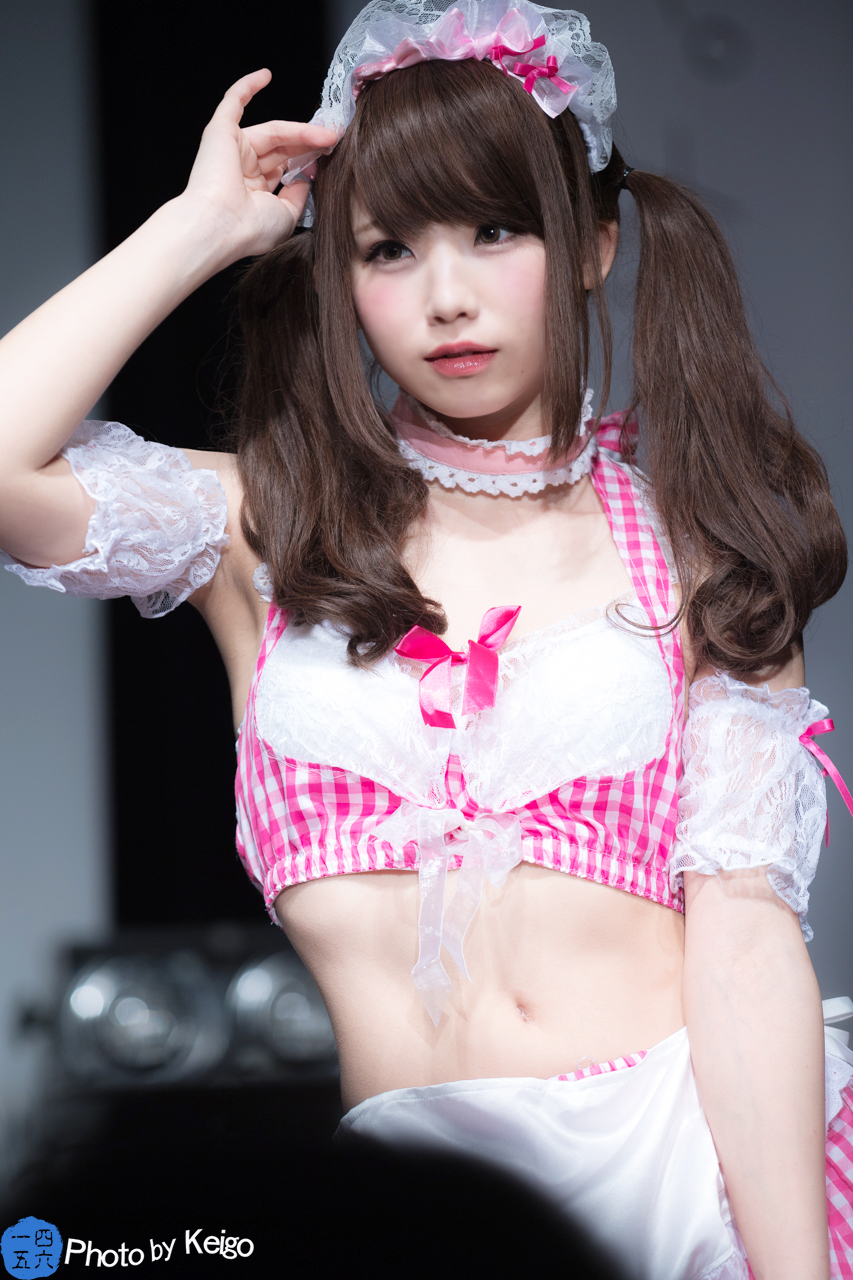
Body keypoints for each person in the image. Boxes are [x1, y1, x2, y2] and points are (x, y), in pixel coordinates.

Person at [0, 1, 851, 1275]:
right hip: (402, 1205)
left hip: (679, 1182)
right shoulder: (263, 527)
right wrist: (198, 228)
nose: (447, 298)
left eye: (496, 230)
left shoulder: (698, 554)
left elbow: (743, 941)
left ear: (591, 246)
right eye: (388, 248)